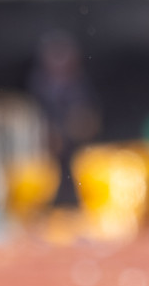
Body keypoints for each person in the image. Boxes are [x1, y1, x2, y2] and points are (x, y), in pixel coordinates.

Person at [29, 30, 101, 214]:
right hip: (49, 138)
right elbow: (38, 112)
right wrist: (50, 132)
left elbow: (87, 115)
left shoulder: (78, 82)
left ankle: (74, 201)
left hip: (73, 140)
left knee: (76, 168)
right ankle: (50, 203)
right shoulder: (41, 83)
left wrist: (78, 125)